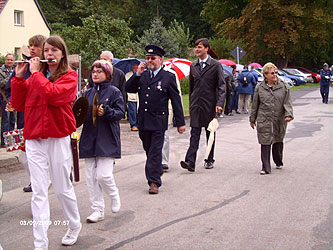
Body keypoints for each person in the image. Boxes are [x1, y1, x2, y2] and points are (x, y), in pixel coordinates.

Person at [11, 35, 81, 249]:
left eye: (54, 51)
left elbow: (53, 96)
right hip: (34, 138)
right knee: (39, 191)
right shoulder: (35, 75)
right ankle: (40, 242)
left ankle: (74, 224)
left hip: (58, 136)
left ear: (62, 55)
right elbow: (17, 104)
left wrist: (34, 76)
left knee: (62, 188)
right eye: (47, 51)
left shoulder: (69, 76)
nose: (49, 54)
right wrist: (19, 79)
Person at [126, 44, 186, 194]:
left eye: (153, 58)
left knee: (154, 151)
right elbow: (129, 88)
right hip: (144, 121)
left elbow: (176, 100)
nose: (150, 61)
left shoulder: (168, 77)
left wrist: (180, 123)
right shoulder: (143, 75)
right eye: (147, 58)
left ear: (161, 60)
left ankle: (154, 182)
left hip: (159, 121)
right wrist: (137, 74)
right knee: (148, 149)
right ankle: (157, 168)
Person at [79, 60, 124, 223]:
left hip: (107, 137)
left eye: (99, 71)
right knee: (91, 177)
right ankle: (97, 209)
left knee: (103, 175)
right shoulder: (88, 92)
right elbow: (80, 113)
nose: (95, 74)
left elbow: (120, 113)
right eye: (93, 71)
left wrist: (106, 112)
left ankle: (113, 195)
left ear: (107, 74)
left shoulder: (114, 92)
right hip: (89, 137)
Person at [5, 34, 47, 193]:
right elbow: (11, 88)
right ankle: (35, 180)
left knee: (44, 156)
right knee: (24, 156)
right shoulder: (25, 65)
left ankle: (49, 178)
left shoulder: (47, 68)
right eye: (30, 46)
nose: (32, 49)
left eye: (35, 46)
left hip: (42, 121)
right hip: (26, 119)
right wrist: (11, 101)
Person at [180, 38, 226, 172]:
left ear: (207, 48)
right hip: (196, 105)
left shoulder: (216, 65)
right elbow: (191, 87)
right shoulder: (193, 65)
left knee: (209, 132)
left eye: (199, 47)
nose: (197, 50)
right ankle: (190, 162)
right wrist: (191, 102)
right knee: (194, 133)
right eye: (195, 47)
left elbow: (222, 86)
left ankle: (209, 159)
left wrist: (219, 103)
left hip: (210, 104)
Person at [250, 62, 293, 175]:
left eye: (276, 73)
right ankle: (265, 167)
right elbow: (255, 104)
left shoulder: (284, 86)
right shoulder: (260, 87)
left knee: (278, 140)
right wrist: (252, 119)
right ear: (265, 75)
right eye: (272, 73)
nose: (275, 75)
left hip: (278, 118)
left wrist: (288, 114)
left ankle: (278, 161)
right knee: (265, 141)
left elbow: (287, 102)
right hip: (264, 117)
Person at [0, 53, 15, 148]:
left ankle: (11, 141)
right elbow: (1, 83)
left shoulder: (16, 70)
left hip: (15, 97)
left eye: (11, 60)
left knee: (13, 120)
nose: (9, 61)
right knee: (5, 120)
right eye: (8, 59)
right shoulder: (1, 71)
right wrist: (11, 79)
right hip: (5, 97)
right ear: (5, 60)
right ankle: (3, 142)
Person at [125, 64, 139, 131]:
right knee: (132, 111)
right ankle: (133, 125)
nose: (135, 68)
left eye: (137, 67)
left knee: (139, 111)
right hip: (131, 96)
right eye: (134, 67)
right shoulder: (128, 75)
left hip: (139, 97)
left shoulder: (142, 74)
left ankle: (138, 124)